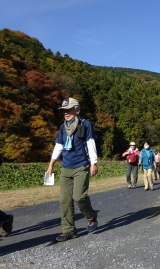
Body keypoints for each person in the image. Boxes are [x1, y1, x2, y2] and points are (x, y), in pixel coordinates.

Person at [46, 97, 98, 242]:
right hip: (66, 167)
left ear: (77, 110)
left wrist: (94, 163)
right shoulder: (63, 127)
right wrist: (51, 164)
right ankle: (69, 230)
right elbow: (59, 146)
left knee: (79, 196)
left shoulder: (85, 124)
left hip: (81, 165)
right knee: (64, 200)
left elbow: (90, 143)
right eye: (63, 111)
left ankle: (91, 217)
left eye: (68, 110)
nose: (66, 113)